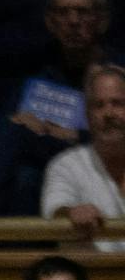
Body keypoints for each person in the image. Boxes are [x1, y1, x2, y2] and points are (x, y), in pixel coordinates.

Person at [42, 63, 125, 251]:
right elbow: (55, 210)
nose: (108, 113)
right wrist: (71, 213)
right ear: (87, 116)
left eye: (118, 103)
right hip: (90, 269)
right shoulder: (65, 165)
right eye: (98, 105)